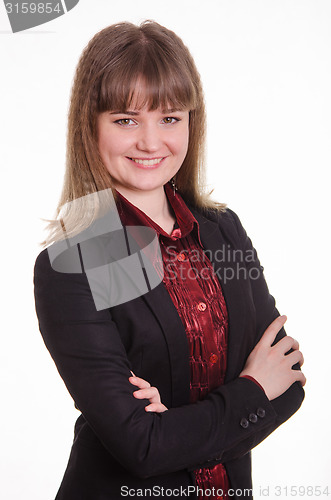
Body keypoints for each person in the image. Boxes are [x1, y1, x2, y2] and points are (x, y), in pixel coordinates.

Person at [33, 20, 306, 500]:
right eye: (125, 120)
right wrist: (248, 390)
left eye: (170, 118)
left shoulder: (223, 231)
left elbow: (288, 381)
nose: (151, 142)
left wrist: (176, 423)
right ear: (89, 126)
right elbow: (143, 447)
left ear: (190, 122)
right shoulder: (77, 261)